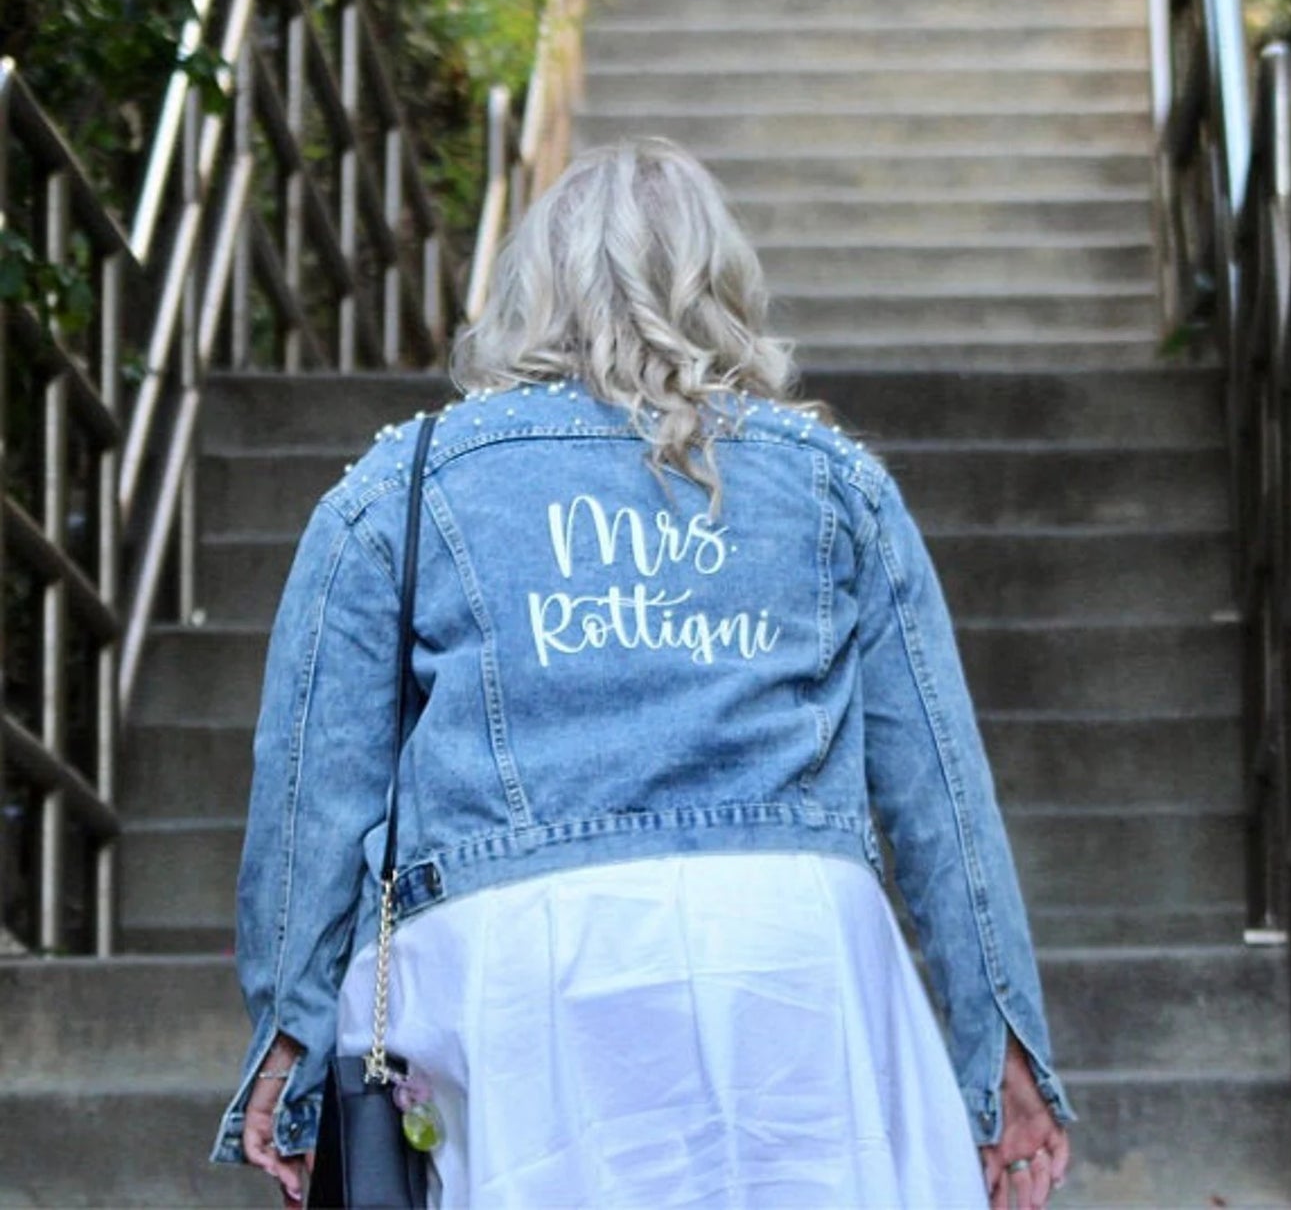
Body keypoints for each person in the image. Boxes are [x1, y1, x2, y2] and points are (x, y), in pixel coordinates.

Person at [211, 138, 1076, 1209]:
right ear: (724, 286)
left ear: (530, 285)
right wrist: (1000, 1047)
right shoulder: (835, 483)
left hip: (523, 967)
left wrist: (289, 1040)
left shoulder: (405, 481)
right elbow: (939, 788)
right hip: (790, 952)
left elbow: (313, 787)